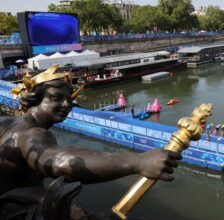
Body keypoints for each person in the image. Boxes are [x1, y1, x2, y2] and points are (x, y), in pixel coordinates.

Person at [1, 65, 182, 218]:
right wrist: (138, 162)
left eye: (69, 99)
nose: (67, 105)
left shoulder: (6, 123)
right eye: (56, 98)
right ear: (34, 99)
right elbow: (58, 162)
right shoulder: (33, 134)